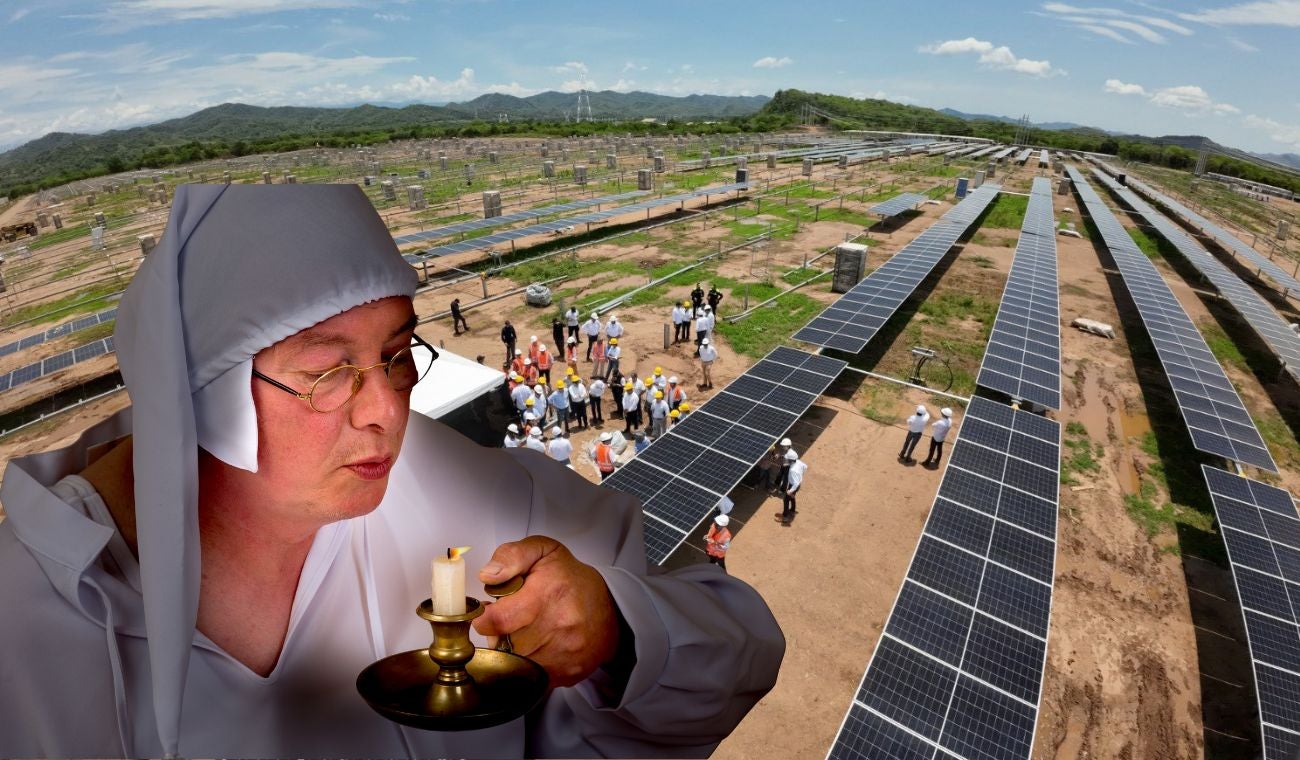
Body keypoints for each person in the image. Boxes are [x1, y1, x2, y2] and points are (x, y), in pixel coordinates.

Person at [0, 184, 786, 758]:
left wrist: (618, 631)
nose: (386, 409)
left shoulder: (468, 496)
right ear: (207, 396)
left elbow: (745, 648)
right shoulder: (23, 632)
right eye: (328, 371)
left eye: (395, 354)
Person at [777, 450, 806, 526]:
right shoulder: (798, 462)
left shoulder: (793, 470)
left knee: (786, 500)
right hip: (797, 484)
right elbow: (805, 467)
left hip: (793, 485)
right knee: (792, 497)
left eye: (787, 459)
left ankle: (785, 516)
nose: (786, 460)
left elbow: (795, 484)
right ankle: (792, 510)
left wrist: (790, 490)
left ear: (790, 460)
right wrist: (800, 474)